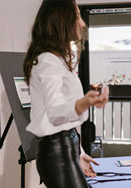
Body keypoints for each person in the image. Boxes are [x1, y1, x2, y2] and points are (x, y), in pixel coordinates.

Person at [23, 0, 109, 187]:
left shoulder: (58, 59)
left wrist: (78, 152)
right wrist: (85, 102)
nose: (81, 23)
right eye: (77, 16)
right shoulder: (47, 60)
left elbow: (65, 124)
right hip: (56, 153)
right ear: (62, 20)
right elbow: (56, 113)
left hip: (64, 148)